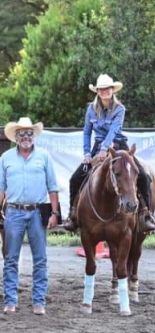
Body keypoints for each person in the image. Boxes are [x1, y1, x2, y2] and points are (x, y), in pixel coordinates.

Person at [63, 74, 155, 231]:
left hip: (119, 144)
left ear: (112, 90)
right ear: (97, 91)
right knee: (75, 178)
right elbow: (86, 132)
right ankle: (73, 215)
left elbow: (114, 129)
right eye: (102, 89)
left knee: (143, 175)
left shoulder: (120, 109)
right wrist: (87, 154)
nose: (105, 91)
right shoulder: (90, 110)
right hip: (97, 145)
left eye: (108, 88)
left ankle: (145, 214)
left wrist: (106, 148)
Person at [0, 117, 60, 315]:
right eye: (22, 133)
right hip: (13, 211)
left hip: (38, 211)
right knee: (11, 258)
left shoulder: (44, 156)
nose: (26, 137)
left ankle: (39, 301)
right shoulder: (6, 158)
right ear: (16, 137)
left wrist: (55, 213)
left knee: (40, 258)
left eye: (29, 133)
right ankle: (10, 300)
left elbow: (52, 187)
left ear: (33, 136)